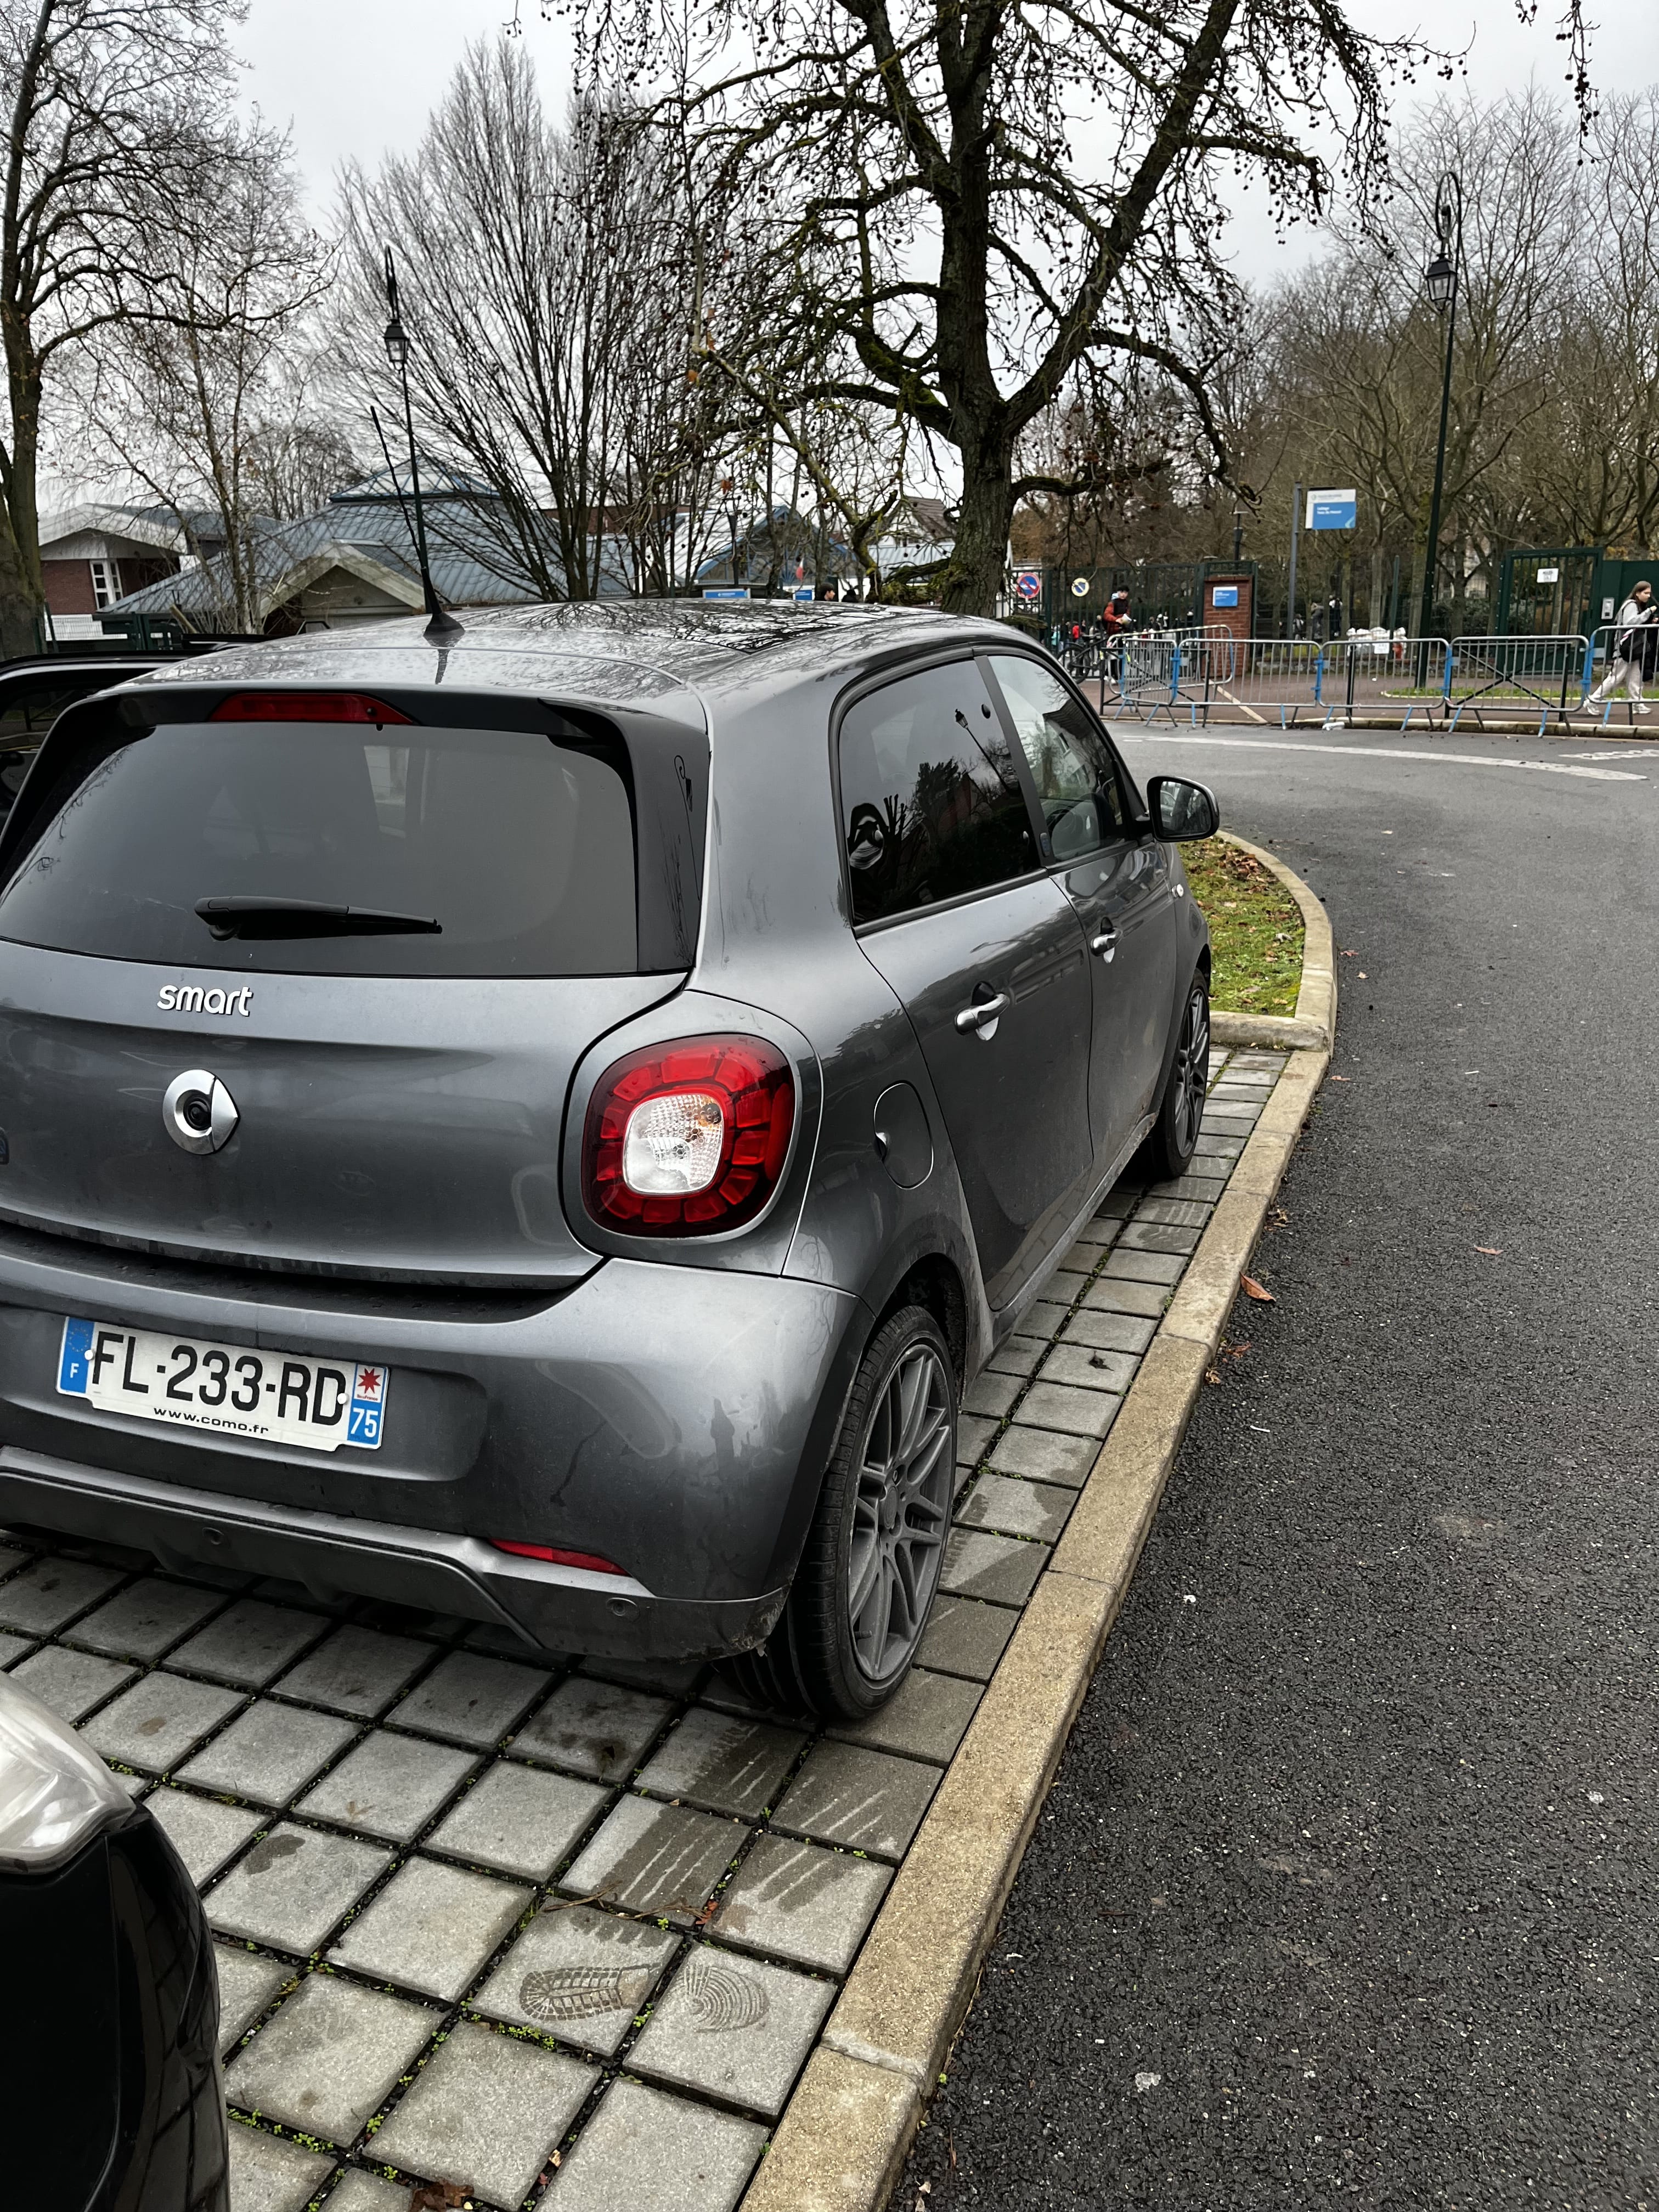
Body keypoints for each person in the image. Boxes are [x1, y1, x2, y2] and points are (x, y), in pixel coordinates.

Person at [1587, 579, 1655, 713]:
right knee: (1616, 677)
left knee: (1635, 676)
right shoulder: (1631, 605)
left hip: (1633, 648)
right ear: (1637, 593)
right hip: (1625, 648)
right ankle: (1592, 700)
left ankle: (1637, 703)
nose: (1648, 596)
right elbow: (1629, 622)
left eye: (1649, 593)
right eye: (1646, 593)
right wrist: (1648, 613)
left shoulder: (1636, 606)